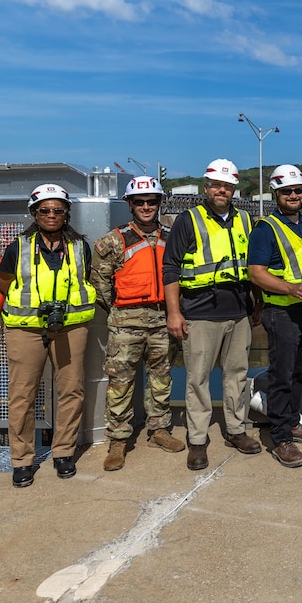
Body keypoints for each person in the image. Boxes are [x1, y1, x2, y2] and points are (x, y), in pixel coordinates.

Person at [163, 158, 262, 471]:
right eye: (217, 185)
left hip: (239, 311)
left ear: (235, 189)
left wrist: (257, 302)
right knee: (198, 379)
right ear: (206, 187)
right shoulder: (188, 220)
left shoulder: (246, 220)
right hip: (199, 312)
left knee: (237, 376)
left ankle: (236, 430)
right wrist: (174, 313)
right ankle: (197, 440)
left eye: (227, 185)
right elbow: (171, 268)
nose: (222, 190)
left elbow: (254, 267)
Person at [0, 184, 97, 488]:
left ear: (66, 213)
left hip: (70, 327)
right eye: (44, 210)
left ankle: (63, 452)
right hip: (25, 329)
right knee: (22, 395)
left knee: (71, 390)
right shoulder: (19, 246)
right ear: (34, 213)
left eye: (58, 210)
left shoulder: (80, 246)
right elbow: (5, 284)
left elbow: (85, 279)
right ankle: (22, 460)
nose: (51, 215)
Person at [91, 176, 186, 472]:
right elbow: (99, 282)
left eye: (152, 201)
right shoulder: (113, 241)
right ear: (129, 204)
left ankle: (158, 429)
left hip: (163, 319)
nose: (146, 206)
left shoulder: (172, 238)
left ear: (159, 203)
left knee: (161, 378)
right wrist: (120, 310)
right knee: (120, 383)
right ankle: (118, 439)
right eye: (139, 201)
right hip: (126, 321)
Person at [247, 164, 302, 468]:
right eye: (286, 191)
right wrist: (290, 289)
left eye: (297, 190)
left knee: (299, 371)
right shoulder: (266, 228)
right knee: (281, 374)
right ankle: (280, 437)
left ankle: (292, 419)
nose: (293, 195)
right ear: (276, 194)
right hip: (281, 311)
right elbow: (256, 273)